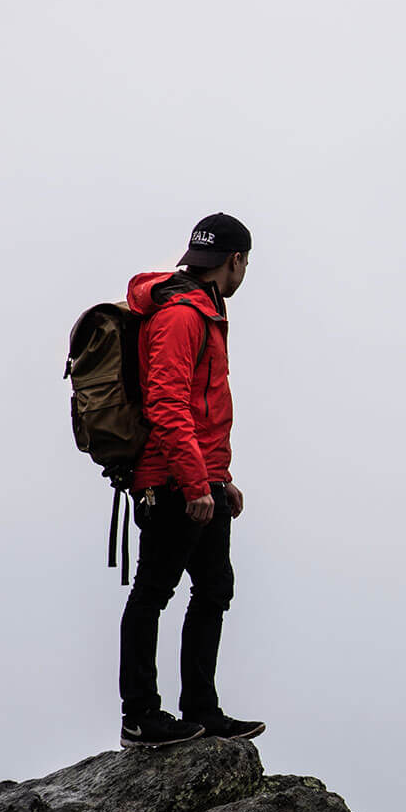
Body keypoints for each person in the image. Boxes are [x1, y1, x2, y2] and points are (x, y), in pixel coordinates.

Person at [116, 212, 266, 748]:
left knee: (214, 589)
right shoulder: (182, 314)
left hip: (201, 477)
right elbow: (166, 403)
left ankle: (201, 711)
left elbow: (202, 409)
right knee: (153, 592)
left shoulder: (204, 309)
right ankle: (140, 716)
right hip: (172, 480)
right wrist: (195, 482)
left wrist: (220, 479)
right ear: (236, 260)